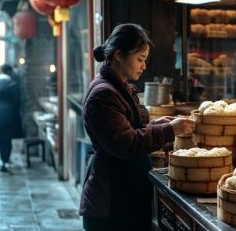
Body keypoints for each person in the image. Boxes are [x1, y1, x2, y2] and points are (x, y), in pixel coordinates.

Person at [79, 23, 194, 231]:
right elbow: (126, 143)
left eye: (145, 60)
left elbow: (129, 128)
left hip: (126, 189)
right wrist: (169, 130)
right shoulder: (103, 94)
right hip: (113, 199)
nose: (144, 66)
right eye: (140, 59)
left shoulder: (119, 86)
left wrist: (157, 124)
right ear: (119, 55)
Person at [0, 64, 24, 172]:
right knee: (8, 139)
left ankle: (4, 160)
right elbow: (17, 101)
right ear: (9, 72)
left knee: (1, 139)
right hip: (10, 113)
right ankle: (6, 160)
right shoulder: (12, 84)